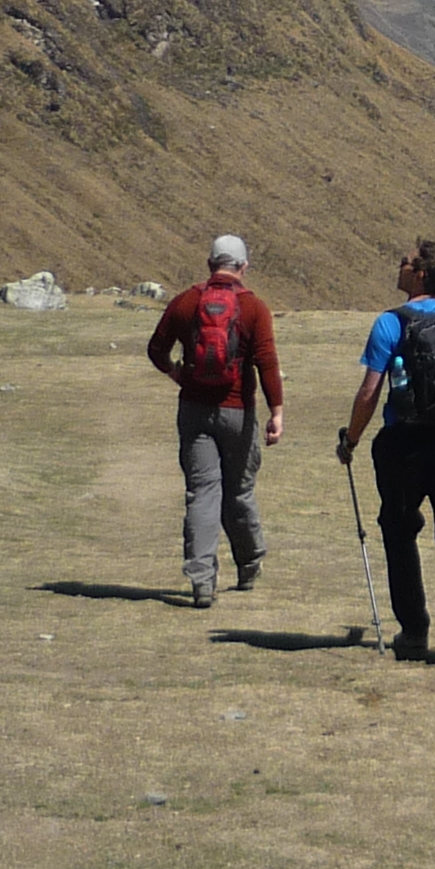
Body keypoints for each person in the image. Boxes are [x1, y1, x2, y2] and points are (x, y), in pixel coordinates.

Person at [337, 238, 435, 662]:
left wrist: (350, 440)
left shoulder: (390, 323)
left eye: (406, 261)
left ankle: (414, 629)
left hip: (402, 444)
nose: (399, 264)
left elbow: (370, 393)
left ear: (420, 274)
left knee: (400, 531)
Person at [147, 234, 285, 609]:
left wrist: (176, 373)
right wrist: (276, 412)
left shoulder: (186, 302)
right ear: (242, 268)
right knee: (238, 491)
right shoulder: (253, 307)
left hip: (194, 411)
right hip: (238, 412)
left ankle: (202, 582)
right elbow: (267, 362)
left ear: (210, 265)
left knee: (202, 493)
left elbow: (155, 349)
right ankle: (250, 562)